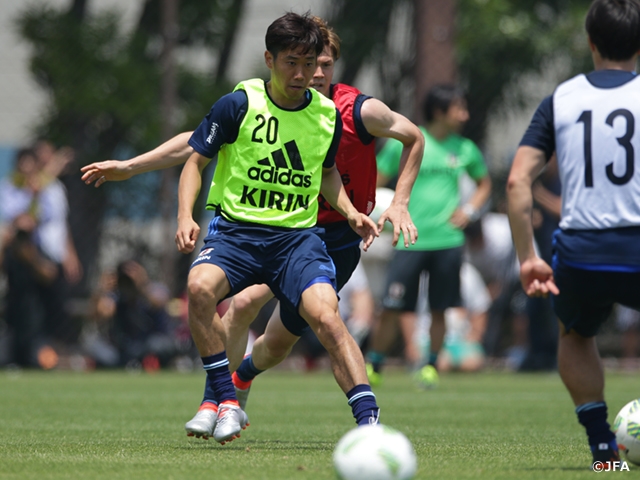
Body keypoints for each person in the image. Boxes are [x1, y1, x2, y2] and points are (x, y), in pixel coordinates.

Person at [82, 16, 423, 440]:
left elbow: (347, 164)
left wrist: (375, 208)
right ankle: (218, 400)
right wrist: (135, 169)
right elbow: (198, 144)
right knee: (230, 300)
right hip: (247, 232)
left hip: (318, 237)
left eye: (321, 64)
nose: (310, 73)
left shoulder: (345, 113)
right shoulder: (243, 103)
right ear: (271, 60)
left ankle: (257, 386)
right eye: (298, 62)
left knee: (302, 330)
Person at [506, 0, 640, 468]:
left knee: (576, 334)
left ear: (590, 42)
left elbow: (517, 181)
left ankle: (603, 448)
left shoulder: (562, 98)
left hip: (581, 249)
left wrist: (528, 256)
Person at [366, 84, 492, 388]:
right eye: (459, 108)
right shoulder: (407, 140)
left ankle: (431, 366)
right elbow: (376, 180)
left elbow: (484, 183)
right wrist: (377, 212)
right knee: (392, 306)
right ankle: (375, 366)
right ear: (439, 111)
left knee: (440, 308)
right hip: (408, 239)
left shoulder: (465, 148)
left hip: (448, 241)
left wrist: (470, 210)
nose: (465, 115)